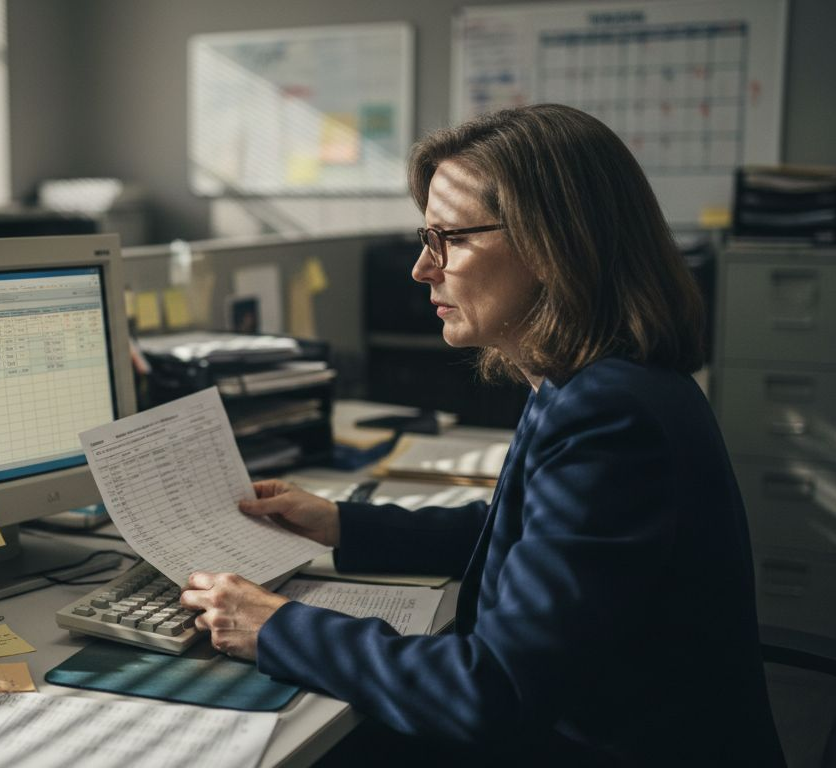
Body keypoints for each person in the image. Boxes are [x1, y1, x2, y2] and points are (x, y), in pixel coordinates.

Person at [179, 104, 784, 766]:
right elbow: (526, 536)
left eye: (451, 239)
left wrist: (277, 627)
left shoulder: (610, 415)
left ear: (553, 245)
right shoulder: (591, 381)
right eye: (425, 237)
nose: (423, 268)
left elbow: (492, 692)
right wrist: (342, 524)